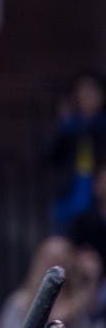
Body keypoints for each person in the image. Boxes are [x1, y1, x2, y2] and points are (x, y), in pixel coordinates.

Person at [0, 236, 103, 328]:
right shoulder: (19, 302)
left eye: (61, 259)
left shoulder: (79, 303)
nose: (56, 264)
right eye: (50, 259)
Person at [47, 70, 106, 231]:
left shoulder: (102, 125)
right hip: (72, 187)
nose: (87, 97)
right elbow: (49, 157)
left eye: (92, 91)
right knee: (66, 232)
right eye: (83, 91)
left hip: (97, 186)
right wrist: (63, 125)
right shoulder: (69, 125)